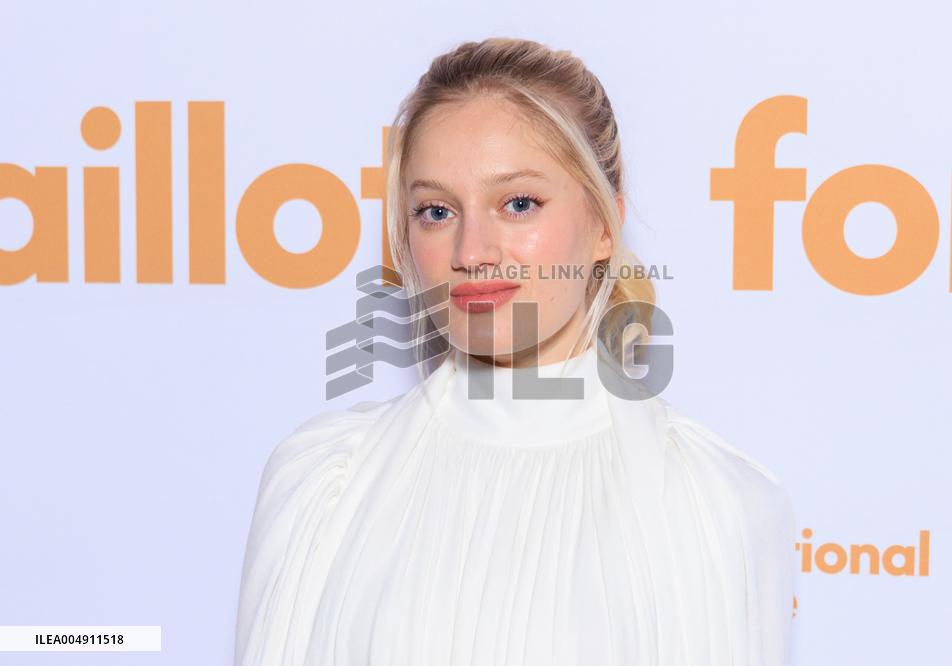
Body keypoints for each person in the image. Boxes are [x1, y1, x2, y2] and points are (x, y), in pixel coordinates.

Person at [234, 37, 797, 666]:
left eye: (519, 203)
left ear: (605, 225)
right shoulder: (323, 481)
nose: (472, 249)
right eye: (437, 210)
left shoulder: (709, 503)